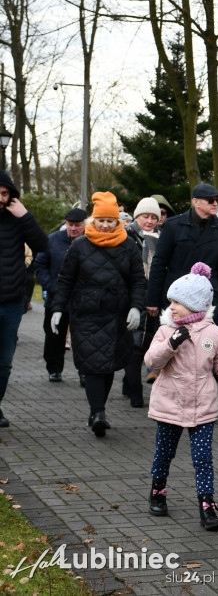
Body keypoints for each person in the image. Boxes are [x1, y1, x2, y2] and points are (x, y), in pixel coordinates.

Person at [144, 263, 218, 530]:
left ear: (196, 304)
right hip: (169, 404)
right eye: (170, 302)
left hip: (202, 406)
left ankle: (207, 505)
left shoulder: (212, 333)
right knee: (164, 453)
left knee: (203, 458)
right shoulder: (165, 330)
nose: (171, 307)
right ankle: (158, 490)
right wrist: (172, 343)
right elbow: (152, 361)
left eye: (177, 303)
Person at [50, 192, 146, 436]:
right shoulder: (79, 245)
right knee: (93, 364)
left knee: (108, 364)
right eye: (101, 220)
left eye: (110, 221)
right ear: (93, 221)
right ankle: (99, 411)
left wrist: (137, 307)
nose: (105, 225)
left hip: (118, 314)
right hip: (86, 314)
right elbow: (65, 280)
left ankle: (97, 411)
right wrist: (58, 309)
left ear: (117, 222)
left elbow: (137, 280)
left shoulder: (128, 246)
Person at [146, 183, 218, 329]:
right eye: (210, 201)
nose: (215, 204)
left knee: (206, 345)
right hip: (176, 298)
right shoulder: (173, 226)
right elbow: (159, 263)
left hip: (209, 299)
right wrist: (152, 299)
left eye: (217, 200)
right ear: (196, 202)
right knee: (173, 345)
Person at [0, 170, 48, 426]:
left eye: (5, 193)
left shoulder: (17, 219)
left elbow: (43, 245)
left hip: (11, 302)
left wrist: (26, 216)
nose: (0, 197)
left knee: (4, 363)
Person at [35, 208, 86, 384]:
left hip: (82, 298)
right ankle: (54, 369)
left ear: (84, 225)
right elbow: (40, 264)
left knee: (83, 337)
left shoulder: (90, 241)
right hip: (56, 297)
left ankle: (84, 371)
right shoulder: (52, 240)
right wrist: (50, 286)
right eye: (70, 225)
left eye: (77, 225)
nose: (73, 229)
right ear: (65, 224)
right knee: (54, 336)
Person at [125, 196, 162, 399]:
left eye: (153, 217)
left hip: (155, 295)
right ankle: (134, 390)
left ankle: (133, 384)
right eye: (145, 216)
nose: (149, 221)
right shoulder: (126, 236)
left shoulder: (162, 237)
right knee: (134, 343)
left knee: (149, 340)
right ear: (137, 217)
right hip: (133, 294)